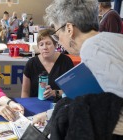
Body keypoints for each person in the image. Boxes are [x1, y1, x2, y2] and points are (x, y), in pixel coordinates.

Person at [33, 0, 123, 137]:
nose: (60, 43)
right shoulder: (113, 39)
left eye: (57, 36)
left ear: (69, 29)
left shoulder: (92, 48)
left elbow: (116, 108)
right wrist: (49, 114)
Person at [21, 28, 74, 99]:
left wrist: (55, 93)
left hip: (59, 105)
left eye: (48, 44)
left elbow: (71, 90)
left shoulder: (66, 61)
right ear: (38, 47)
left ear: (55, 45)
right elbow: (25, 92)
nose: (45, 47)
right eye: (41, 44)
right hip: (35, 105)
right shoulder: (31, 63)